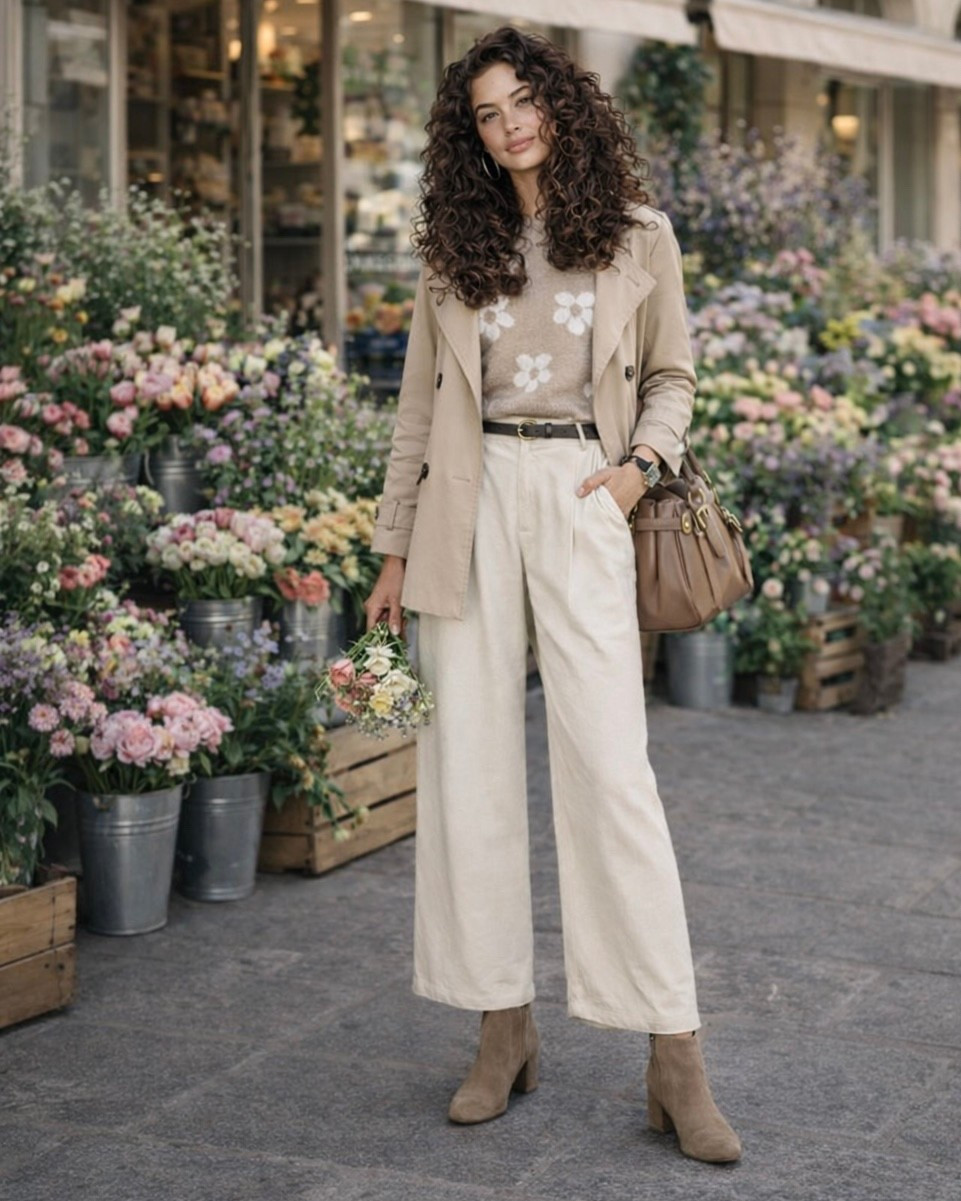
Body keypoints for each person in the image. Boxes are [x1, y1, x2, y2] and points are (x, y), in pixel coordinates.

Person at [364, 25, 741, 1165]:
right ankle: (501, 1027)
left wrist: (637, 469)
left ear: (563, 103)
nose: (511, 122)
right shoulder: (454, 250)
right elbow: (421, 414)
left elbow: (672, 373)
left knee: (611, 775)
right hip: (466, 508)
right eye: (487, 111)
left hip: (586, 494)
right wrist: (389, 552)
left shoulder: (637, 236)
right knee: (468, 769)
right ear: (468, 137)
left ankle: (674, 1056)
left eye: (523, 99)